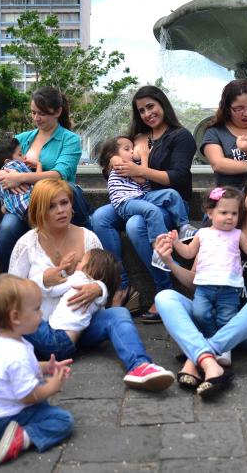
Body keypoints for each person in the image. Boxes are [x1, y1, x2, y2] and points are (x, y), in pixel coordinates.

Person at [0, 180, 175, 408]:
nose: (61, 210)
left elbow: (105, 278)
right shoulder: (26, 244)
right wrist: (43, 280)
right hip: (36, 329)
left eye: (65, 203)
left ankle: (140, 366)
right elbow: (11, 292)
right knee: (2, 330)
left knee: (118, 313)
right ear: (40, 209)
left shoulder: (89, 238)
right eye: (52, 206)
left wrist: (99, 288)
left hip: (79, 328)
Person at [154, 169, 247, 398]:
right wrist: (168, 260)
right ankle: (211, 361)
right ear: (246, 190)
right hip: (212, 317)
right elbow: (194, 282)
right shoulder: (216, 230)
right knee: (164, 298)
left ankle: (198, 354)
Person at [90, 85, 196, 321]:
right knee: (99, 217)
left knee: (135, 225)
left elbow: (177, 178)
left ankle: (163, 288)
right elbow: (114, 174)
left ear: (162, 104)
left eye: (151, 107)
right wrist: (115, 162)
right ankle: (122, 284)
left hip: (169, 201)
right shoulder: (136, 138)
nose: (147, 114)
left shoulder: (180, 136)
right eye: (141, 110)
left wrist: (141, 170)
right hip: (136, 196)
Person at [0, 275, 74, 466]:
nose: (42, 315)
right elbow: (28, 396)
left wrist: (46, 367)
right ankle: (22, 437)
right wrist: (52, 386)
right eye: (37, 309)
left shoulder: (2, 341)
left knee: (46, 408)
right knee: (63, 421)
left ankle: (17, 430)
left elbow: (16, 373)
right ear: (15, 317)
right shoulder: (15, 354)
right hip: (5, 419)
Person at [0, 87, 90, 268]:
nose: (36, 118)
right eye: (33, 112)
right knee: (8, 228)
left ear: (58, 111)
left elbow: (59, 174)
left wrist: (21, 178)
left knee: (72, 190)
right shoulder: (23, 138)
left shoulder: (70, 139)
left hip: (57, 198)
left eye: (42, 113)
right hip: (25, 200)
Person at [165, 187, 247, 340]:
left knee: (227, 318)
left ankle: (224, 348)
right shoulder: (202, 233)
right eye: (224, 213)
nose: (230, 217)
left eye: (234, 213)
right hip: (204, 286)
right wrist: (177, 243)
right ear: (210, 213)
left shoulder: (238, 234)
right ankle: (213, 337)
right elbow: (189, 252)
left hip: (229, 287)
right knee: (199, 312)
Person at [98, 134, 194, 253]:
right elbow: (142, 179)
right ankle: (160, 247)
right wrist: (144, 156)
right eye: (127, 149)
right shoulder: (120, 164)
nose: (133, 151)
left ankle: (184, 226)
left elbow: (140, 175)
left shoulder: (129, 163)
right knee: (152, 210)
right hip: (126, 201)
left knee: (171, 194)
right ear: (113, 155)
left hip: (141, 196)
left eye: (132, 148)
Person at [44, 248, 119, 344]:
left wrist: (60, 270)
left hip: (57, 334)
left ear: (91, 269)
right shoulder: (98, 294)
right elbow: (102, 307)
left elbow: (53, 291)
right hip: (71, 342)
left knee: (25, 324)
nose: (77, 263)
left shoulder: (79, 277)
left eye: (80, 261)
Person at [0, 137, 32, 221]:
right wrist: (39, 165)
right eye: (20, 154)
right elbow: (37, 181)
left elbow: (3, 208)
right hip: (32, 206)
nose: (24, 157)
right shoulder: (15, 165)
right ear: (7, 162)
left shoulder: (1, 182)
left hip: (21, 214)